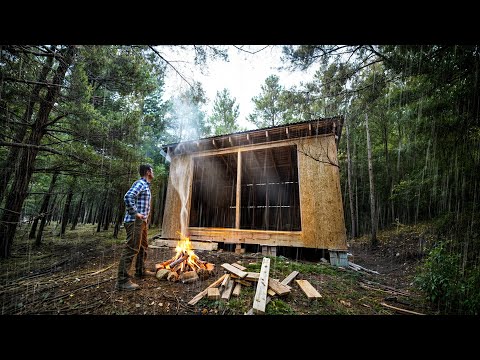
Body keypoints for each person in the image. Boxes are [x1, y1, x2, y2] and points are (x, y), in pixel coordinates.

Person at [116, 164, 156, 291]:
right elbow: (128, 196)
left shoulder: (146, 186)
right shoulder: (140, 183)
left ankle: (140, 270)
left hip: (141, 222)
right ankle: (122, 281)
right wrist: (136, 213)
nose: (153, 172)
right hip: (134, 221)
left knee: (143, 247)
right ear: (148, 172)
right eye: (152, 170)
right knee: (131, 248)